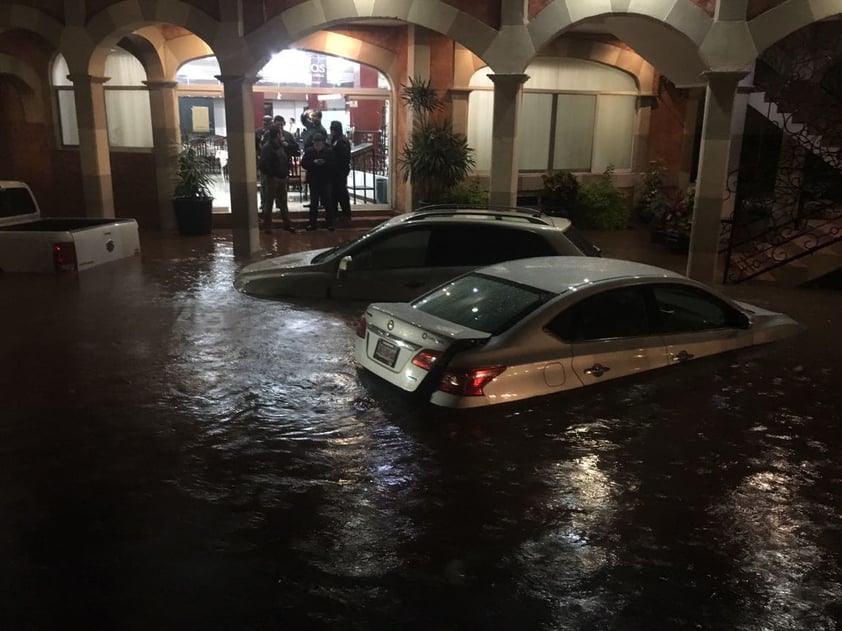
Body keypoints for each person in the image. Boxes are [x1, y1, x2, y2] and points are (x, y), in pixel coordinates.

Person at [258, 127, 295, 234]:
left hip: (282, 177)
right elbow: (263, 164)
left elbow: (285, 159)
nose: (282, 136)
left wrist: (285, 173)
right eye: (280, 134)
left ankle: (287, 224)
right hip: (272, 179)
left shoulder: (280, 146)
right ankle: (267, 226)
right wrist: (272, 175)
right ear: (277, 135)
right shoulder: (267, 147)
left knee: (283, 202)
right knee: (269, 203)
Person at [300, 132, 335, 231]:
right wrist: (313, 163)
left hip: (325, 179)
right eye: (316, 143)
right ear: (313, 143)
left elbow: (333, 164)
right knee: (314, 202)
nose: (318, 145)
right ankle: (312, 223)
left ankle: (330, 223)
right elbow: (304, 163)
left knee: (328, 202)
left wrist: (324, 163)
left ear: (323, 143)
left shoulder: (328, 152)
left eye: (319, 143)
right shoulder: (310, 151)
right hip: (314, 180)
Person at [329, 120, 352, 222]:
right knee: (334, 193)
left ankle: (346, 213)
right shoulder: (336, 139)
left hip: (340, 171)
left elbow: (343, 158)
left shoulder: (342, 141)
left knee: (341, 192)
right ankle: (336, 213)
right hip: (335, 171)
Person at [255, 114, 273, 211]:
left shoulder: (274, 132)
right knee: (263, 184)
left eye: (268, 122)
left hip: (272, 162)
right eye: (265, 122)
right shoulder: (258, 132)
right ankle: (263, 203)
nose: (266, 124)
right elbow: (254, 145)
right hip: (262, 161)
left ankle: (274, 203)